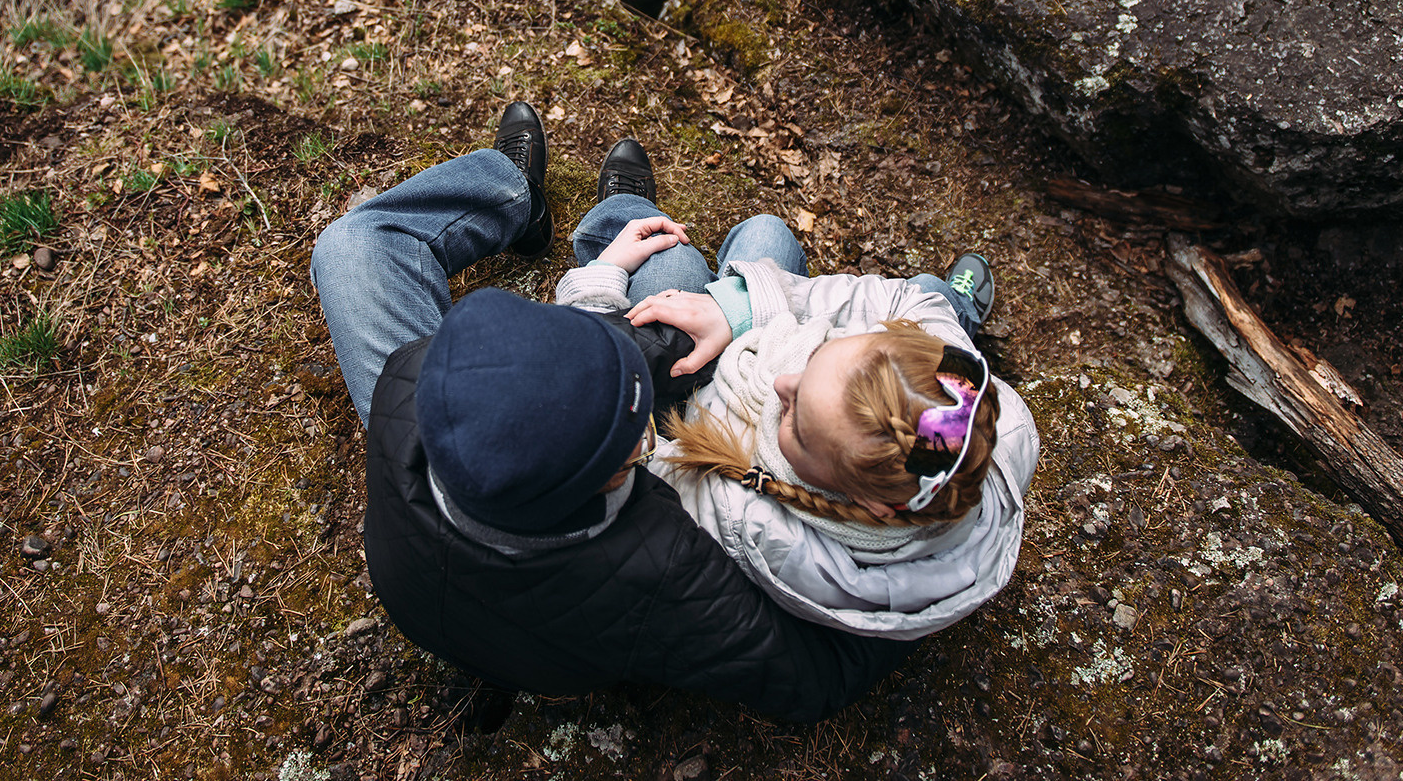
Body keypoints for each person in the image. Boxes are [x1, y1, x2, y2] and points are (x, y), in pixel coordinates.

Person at [309, 103, 909, 723]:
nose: (644, 436)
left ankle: (519, 194)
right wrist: (943, 578)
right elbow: (813, 680)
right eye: (635, 442)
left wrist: (603, 281)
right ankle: (625, 217)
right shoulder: (660, 566)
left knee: (351, 243)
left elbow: (565, 373)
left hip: (448, 584)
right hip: (562, 634)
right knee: (731, 249)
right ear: (610, 480)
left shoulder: (406, 386)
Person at [556, 149, 1041, 640]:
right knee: (895, 278)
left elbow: (585, 423)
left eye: (798, 423)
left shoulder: (742, 515)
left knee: (671, 258)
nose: (780, 384)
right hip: (757, 341)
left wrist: (595, 293)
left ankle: (621, 210)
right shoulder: (981, 408)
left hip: (698, 404)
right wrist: (738, 309)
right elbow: (910, 306)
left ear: (872, 504)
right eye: (817, 360)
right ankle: (957, 313)